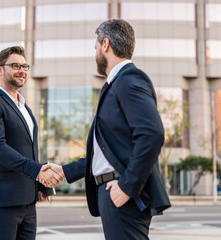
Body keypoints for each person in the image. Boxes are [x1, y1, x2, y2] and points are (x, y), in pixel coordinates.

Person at [46, 19, 171, 240]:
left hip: (123, 192)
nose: (95, 54)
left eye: (95, 47)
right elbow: (107, 151)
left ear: (105, 44)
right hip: (112, 190)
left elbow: (152, 134)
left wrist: (127, 187)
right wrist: (65, 171)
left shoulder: (129, 79)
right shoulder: (117, 84)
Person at [0, 46, 62, 240]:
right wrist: (38, 171)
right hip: (3, 199)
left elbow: (29, 149)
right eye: (15, 65)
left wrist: (40, 185)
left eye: (24, 66)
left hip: (28, 200)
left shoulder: (26, 108)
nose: (21, 70)